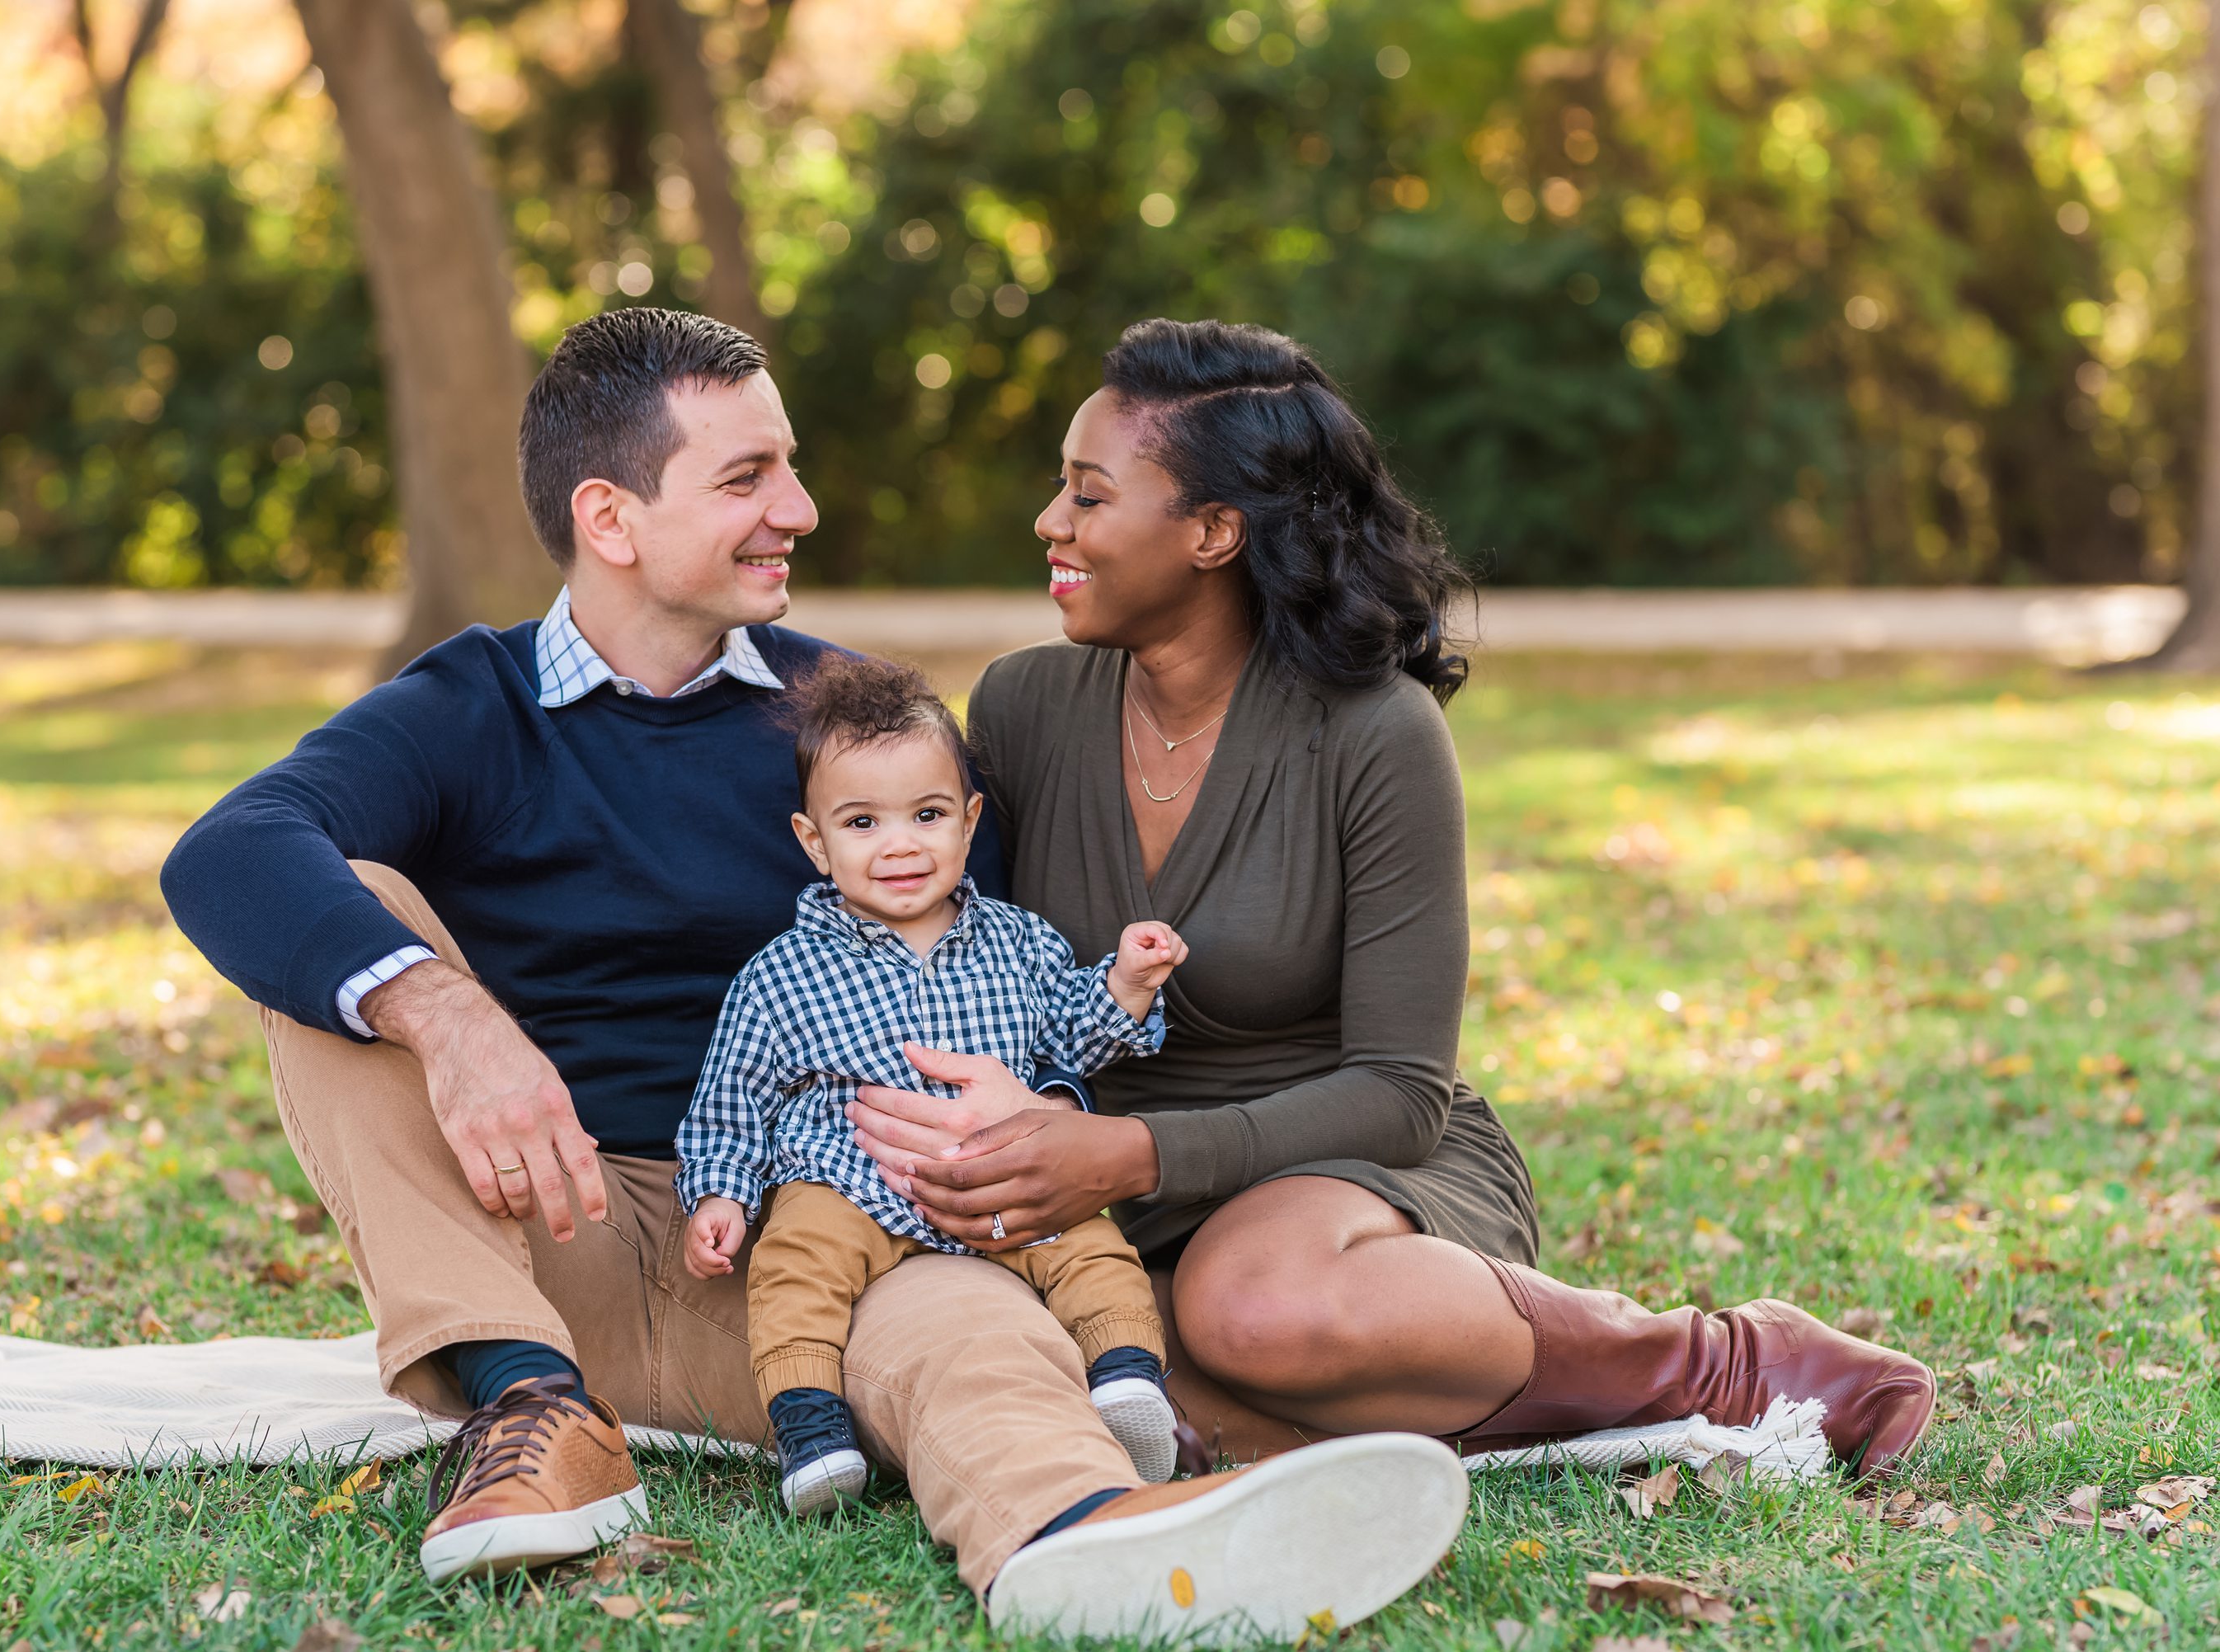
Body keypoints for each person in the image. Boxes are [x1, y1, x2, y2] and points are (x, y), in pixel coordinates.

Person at [159, 306, 1470, 1641]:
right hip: (551, 1232)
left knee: (964, 1318)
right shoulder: (471, 706)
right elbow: (229, 852)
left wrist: (1044, 1119)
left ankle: (1078, 1532)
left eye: (786, 463)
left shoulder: (860, 728)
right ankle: (527, 1403)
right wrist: (453, 1021)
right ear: (611, 519)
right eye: (747, 477)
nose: (801, 504)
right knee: (344, 930)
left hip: (824, 1244)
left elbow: (999, 971)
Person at [848, 318, 1940, 1476]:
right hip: (1098, 1183)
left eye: (1088, 495)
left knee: (1245, 1307)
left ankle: (1712, 1359)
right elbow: (963, 958)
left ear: (1214, 531)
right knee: (1068, 1364)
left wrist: (1129, 1149)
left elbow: (1399, 1091)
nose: (1051, 523)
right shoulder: (1023, 706)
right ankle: (1353, 1404)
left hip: (1351, 1171)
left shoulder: (1375, 732)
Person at [678, 652, 1187, 1517]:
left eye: (927, 813)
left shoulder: (1018, 942)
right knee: (794, 1265)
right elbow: (733, 1099)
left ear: (968, 818)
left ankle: (1127, 1380)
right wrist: (719, 1194)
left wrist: (1129, 984)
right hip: (846, 1186)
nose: (902, 843)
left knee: (1093, 1244)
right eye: (864, 821)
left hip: (1002, 1181)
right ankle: (812, 1427)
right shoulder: (784, 973)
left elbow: (1072, 1029)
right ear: (815, 840)